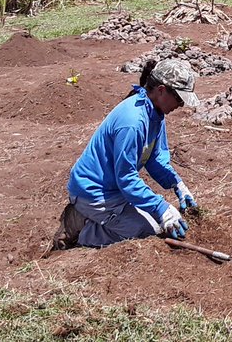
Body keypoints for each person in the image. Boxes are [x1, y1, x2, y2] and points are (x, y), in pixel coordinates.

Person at [53, 58, 202, 250]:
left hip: (114, 190)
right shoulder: (133, 122)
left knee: (157, 222)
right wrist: (161, 208)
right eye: (179, 98)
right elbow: (126, 178)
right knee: (146, 231)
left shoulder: (155, 114)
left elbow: (155, 158)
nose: (181, 105)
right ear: (161, 91)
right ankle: (82, 229)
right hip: (94, 191)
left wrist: (177, 184)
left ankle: (99, 217)